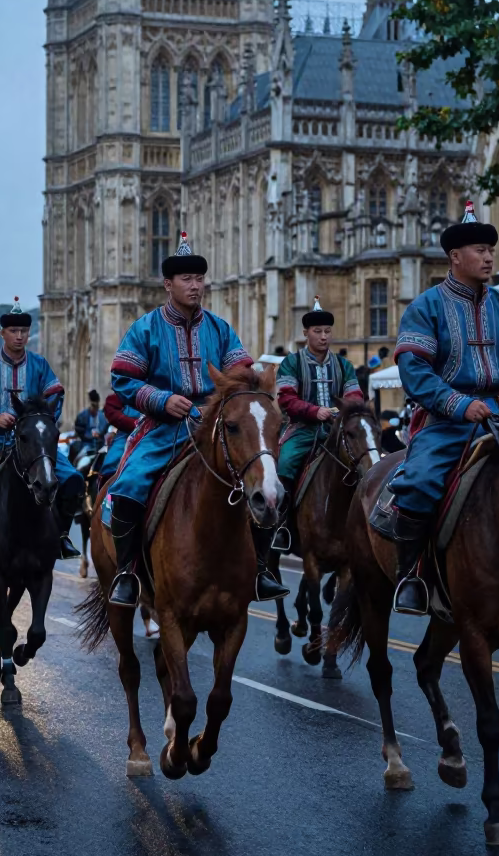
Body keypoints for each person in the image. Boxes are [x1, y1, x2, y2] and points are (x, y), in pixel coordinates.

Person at [106, 232, 287, 608]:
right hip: (162, 429)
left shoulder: (220, 328)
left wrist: (234, 393)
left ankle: (261, 571)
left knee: (259, 478)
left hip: (216, 428)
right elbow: (122, 377)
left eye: (199, 279)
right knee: (128, 487)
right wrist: (161, 399)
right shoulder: (145, 328)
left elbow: (241, 371)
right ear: (168, 284)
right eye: (186, 280)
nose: (194, 286)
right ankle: (126, 572)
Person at [389, 202, 499, 615]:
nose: (489, 257)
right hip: (445, 423)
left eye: (490, 250)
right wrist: (461, 404)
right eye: (480, 250)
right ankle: (411, 575)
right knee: (420, 482)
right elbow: (415, 370)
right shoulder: (426, 306)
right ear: (455, 257)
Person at [0, 298, 82, 560]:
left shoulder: (40, 364)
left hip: (32, 442)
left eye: (24, 332)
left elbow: (56, 393)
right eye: (14, 331)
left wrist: (40, 421)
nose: (19, 337)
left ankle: (62, 536)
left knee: (73, 478)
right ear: (3, 333)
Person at [274, 298, 362, 547]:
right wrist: (315, 412)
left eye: (327, 331)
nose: (324, 337)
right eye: (318, 331)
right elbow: (286, 399)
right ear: (306, 333)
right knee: (284, 464)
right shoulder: (291, 363)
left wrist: (339, 410)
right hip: (301, 430)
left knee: (364, 462)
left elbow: (355, 396)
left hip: (337, 430)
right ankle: (281, 525)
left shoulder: (344, 366)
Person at [98, 390, 141, 486]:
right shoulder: (125, 391)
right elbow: (112, 411)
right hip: (128, 434)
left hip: (163, 429)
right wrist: (136, 424)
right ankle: (107, 498)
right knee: (111, 465)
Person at [73, 390, 107, 459]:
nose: (94, 408)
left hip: (100, 446)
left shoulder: (102, 417)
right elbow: (79, 429)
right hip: (87, 445)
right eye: (93, 405)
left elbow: (104, 430)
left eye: (96, 406)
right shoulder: (83, 416)